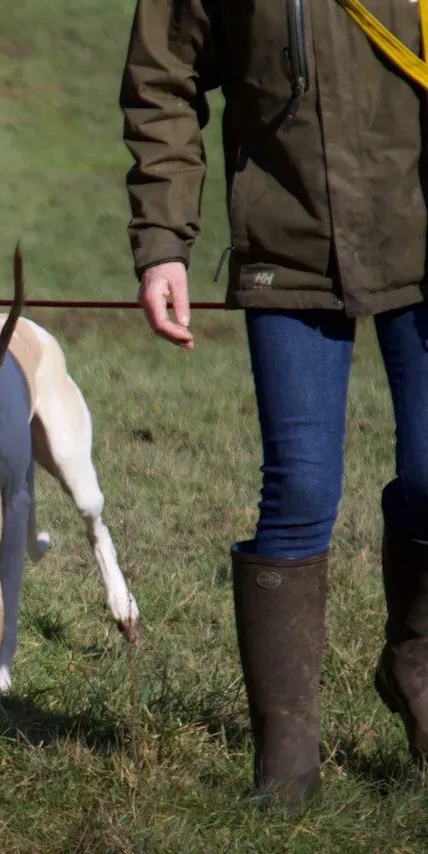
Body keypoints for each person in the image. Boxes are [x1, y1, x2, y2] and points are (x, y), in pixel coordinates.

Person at [121, 0, 428, 805]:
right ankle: (286, 771)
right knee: (299, 490)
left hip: (425, 242)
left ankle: (415, 662)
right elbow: (163, 77)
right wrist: (163, 244)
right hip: (286, 253)